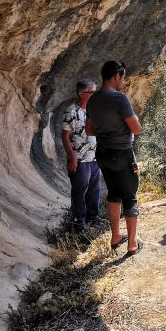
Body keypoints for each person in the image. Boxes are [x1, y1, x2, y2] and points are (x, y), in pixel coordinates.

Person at [86, 60, 143, 256]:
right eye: (123, 76)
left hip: (103, 153)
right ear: (117, 76)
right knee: (129, 196)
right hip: (121, 153)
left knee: (113, 193)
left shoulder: (93, 99)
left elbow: (89, 130)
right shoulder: (120, 99)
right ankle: (132, 243)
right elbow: (136, 129)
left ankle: (116, 236)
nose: (123, 80)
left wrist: (106, 131)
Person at [60, 79, 102, 230]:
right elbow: (65, 137)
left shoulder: (96, 110)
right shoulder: (71, 112)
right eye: (92, 92)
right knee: (80, 190)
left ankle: (93, 217)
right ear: (81, 93)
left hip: (95, 158)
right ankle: (79, 221)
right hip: (80, 159)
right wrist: (72, 158)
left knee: (94, 189)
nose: (95, 95)